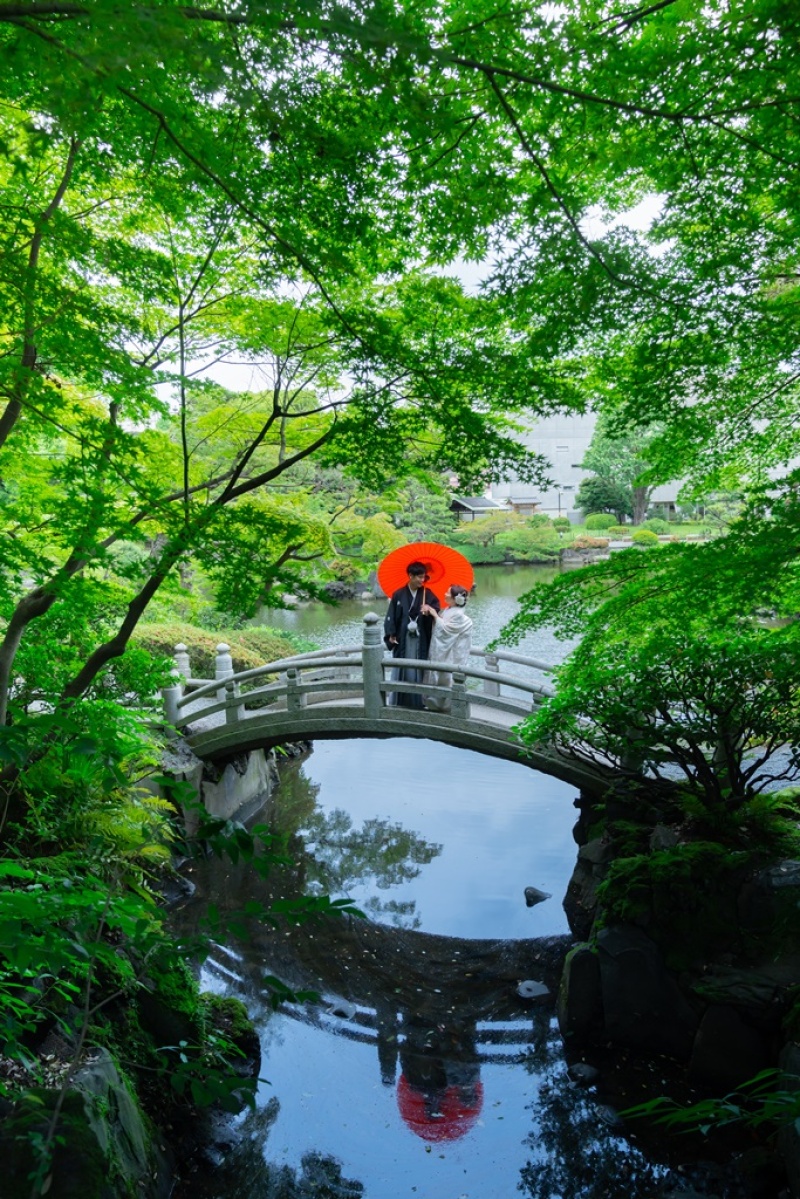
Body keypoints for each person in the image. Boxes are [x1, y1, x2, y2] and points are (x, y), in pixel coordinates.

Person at [383, 562, 440, 708]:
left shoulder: (427, 594)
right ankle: (401, 699)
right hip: (403, 638)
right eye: (419, 577)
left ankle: (419, 700)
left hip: (420, 638)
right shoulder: (398, 594)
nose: (422, 580)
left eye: (424, 577)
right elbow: (391, 616)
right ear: (410, 576)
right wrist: (391, 633)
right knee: (403, 665)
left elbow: (437, 609)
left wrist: (429, 611)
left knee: (418, 665)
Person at [422, 584, 473, 713]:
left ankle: (447, 705)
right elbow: (442, 625)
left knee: (448, 676)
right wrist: (432, 615)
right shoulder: (448, 610)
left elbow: (445, 631)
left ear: (455, 599)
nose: (445, 594)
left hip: (453, 651)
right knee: (441, 676)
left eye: (448, 593)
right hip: (447, 650)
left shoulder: (458, 615)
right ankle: (438, 702)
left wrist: (434, 615)